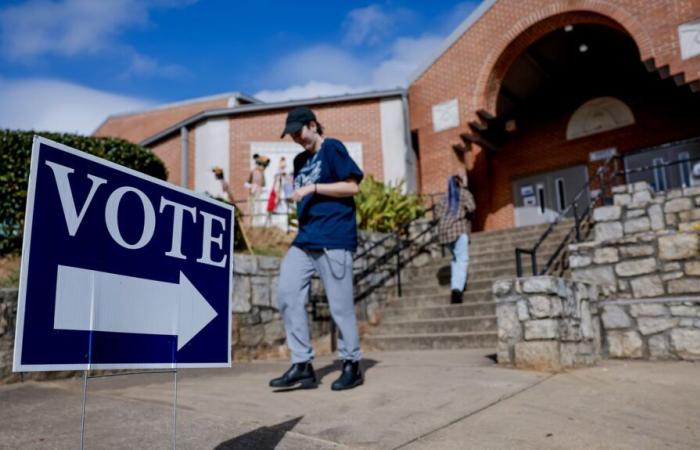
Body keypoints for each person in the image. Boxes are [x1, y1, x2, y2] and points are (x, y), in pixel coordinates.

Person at [269, 106, 364, 391]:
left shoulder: (332, 148)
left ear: (312, 125)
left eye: (299, 131)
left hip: (334, 236)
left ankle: (351, 364)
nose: (296, 138)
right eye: (292, 135)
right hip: (305, 238)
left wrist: (313, 189)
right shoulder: (300, 161)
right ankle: (302, 366)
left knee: (340, 306)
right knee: (287, 294)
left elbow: (352, 187)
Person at [435, 172, 476, 304]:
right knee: (462, 260)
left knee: (456, 260)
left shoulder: (444, 198)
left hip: (445, 235)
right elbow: (472, 207)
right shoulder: (464, 193)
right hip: (458, 230)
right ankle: (456, 291)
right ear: (460, 183)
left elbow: (436, 215)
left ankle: (460, 283)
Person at [245, 154, 269, 224]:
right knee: (252, 208)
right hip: (252, 193)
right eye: (260, 165)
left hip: (259, 194)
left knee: (259, 208)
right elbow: (247, 183)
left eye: (263, 165)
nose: (261, 167)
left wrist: (261, 188)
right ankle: (251, 223)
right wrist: (252, 186)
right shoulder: (252, 171)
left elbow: (264, 184)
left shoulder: (262, 173)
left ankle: (257, 222)